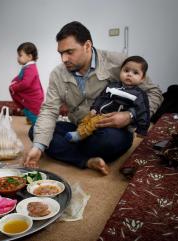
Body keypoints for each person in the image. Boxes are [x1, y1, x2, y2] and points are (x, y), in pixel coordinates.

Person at [24, 21, 163, 175]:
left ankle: (69, 151)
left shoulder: (119, 63)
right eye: (61, 53)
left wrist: (130, 116)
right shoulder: (57, 73)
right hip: (80, 128)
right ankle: (87, 161)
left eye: (69, 52)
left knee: (108, 141)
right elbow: (49, 110)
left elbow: (154, 93)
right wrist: (38, 147)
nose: (64, 59)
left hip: (110, 131)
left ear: (87, 46)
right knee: (36, 131)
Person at [65, 55, 151, 142]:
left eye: (135, 73)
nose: (129, 74)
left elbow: (143, 112)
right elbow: (101, 98)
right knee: (87, 118)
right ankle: (80, 131)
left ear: (142, 78)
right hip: (99, 112)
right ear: (120, 71)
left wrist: (142, 130)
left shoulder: (139, 94)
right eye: (126, 70)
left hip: (112, 118)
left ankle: (79, 135)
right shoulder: (112, 86)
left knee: (94, 122)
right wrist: (94, 108)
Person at [9, 42, 44, 124]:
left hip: (33, 99)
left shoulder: (30, 68)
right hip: (31, 98)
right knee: (29, 112)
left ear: (29, 56)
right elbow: (20, 77)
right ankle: (32, 121)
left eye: (20, 55)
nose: (17, 58)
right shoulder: (27, 67)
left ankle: (39, 130)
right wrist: (14, 81)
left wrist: (14, 87)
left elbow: (26, 83)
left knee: (33, 115)